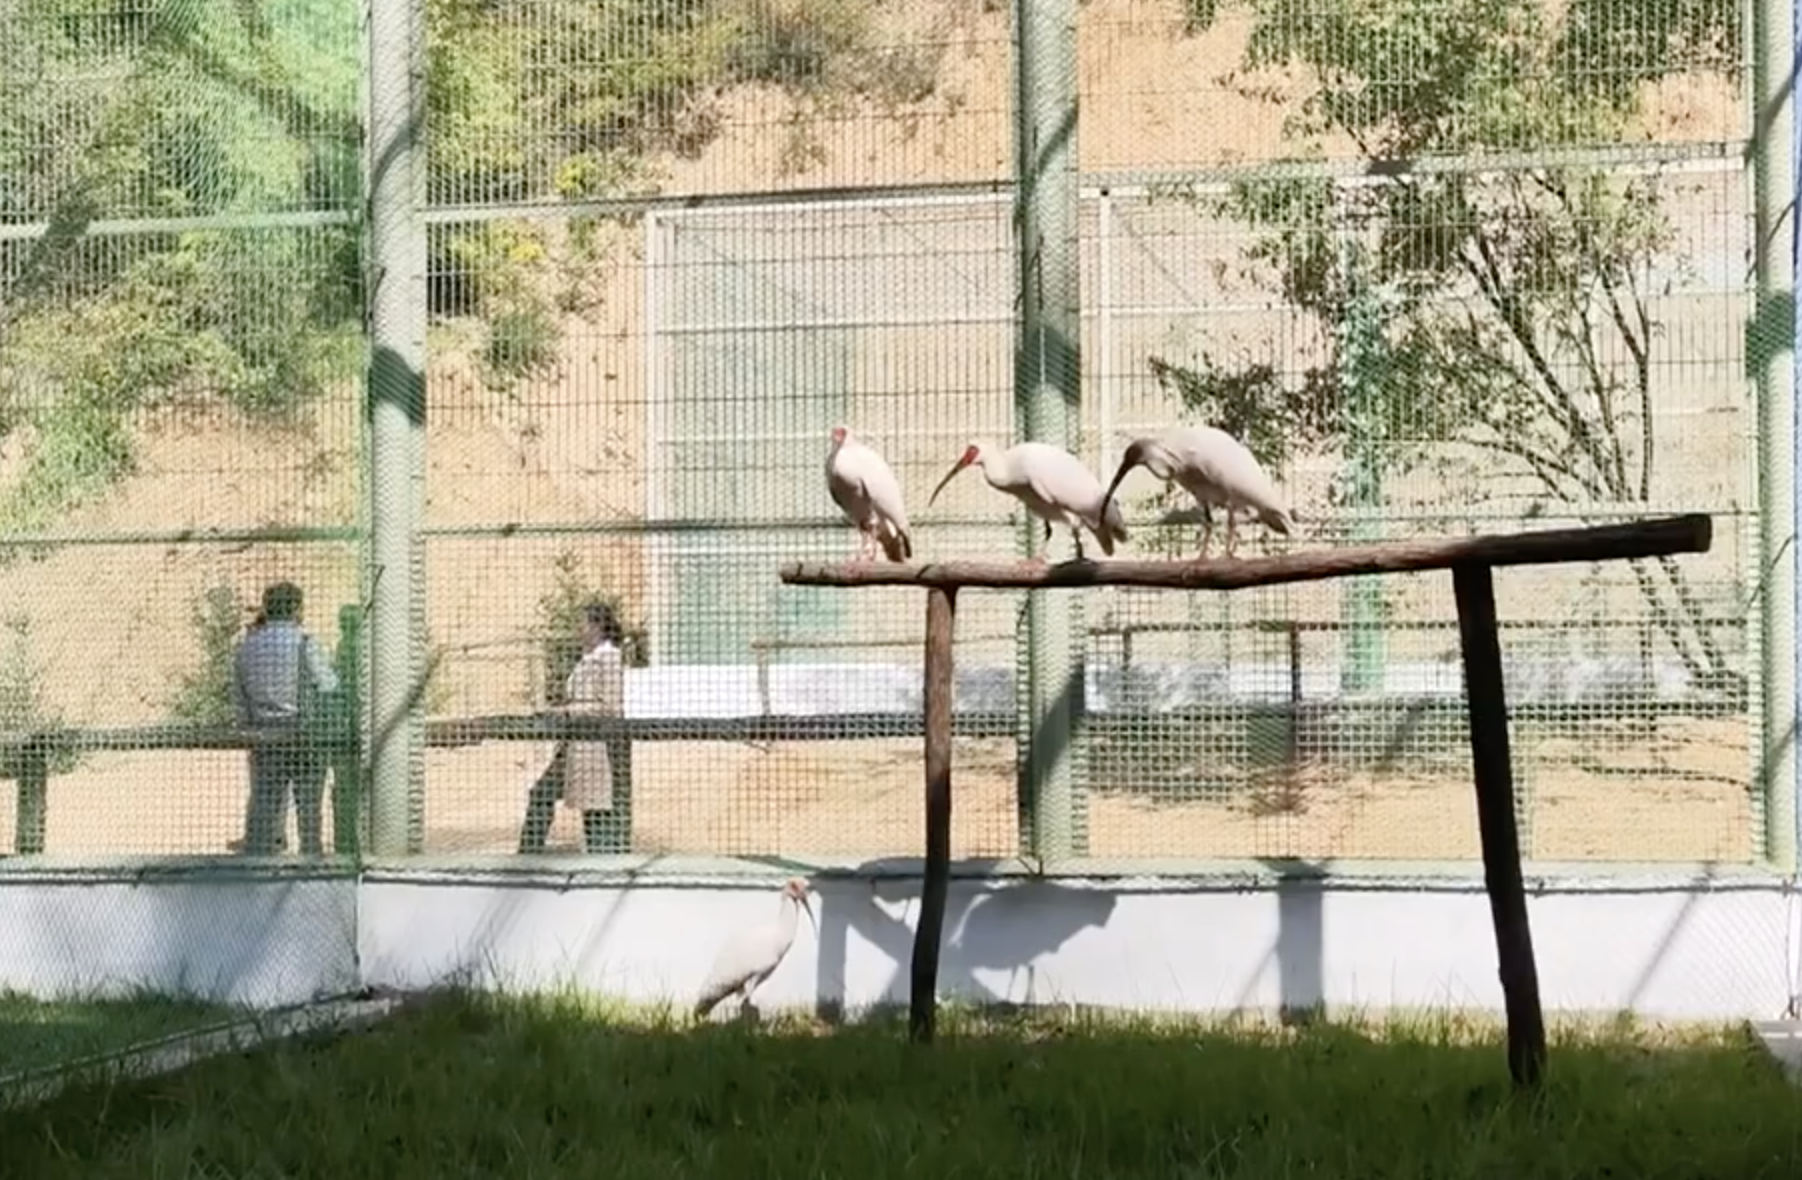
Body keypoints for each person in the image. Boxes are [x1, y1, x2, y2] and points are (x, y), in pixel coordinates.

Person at [231, 581, 340, 856]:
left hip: (264, 736)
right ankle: (310, 860)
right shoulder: (305, 643)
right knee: (309, 811)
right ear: (296, 608)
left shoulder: (247, 647)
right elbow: (329, 686)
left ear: (267, 608)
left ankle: (260, 864)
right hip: (304, 736)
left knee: (264, 806)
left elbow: (239, 701)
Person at [518, 599, 628, 853]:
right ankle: (529, 852)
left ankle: (601, 859)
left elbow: (611, 706)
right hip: (574, 742)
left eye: (582, 622)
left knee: (591, 807)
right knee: (546, 794)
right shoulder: (589, 658)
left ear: (597, 625)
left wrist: (567, 711)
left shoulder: (608, 658)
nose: (577, 628)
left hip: (594, 744)